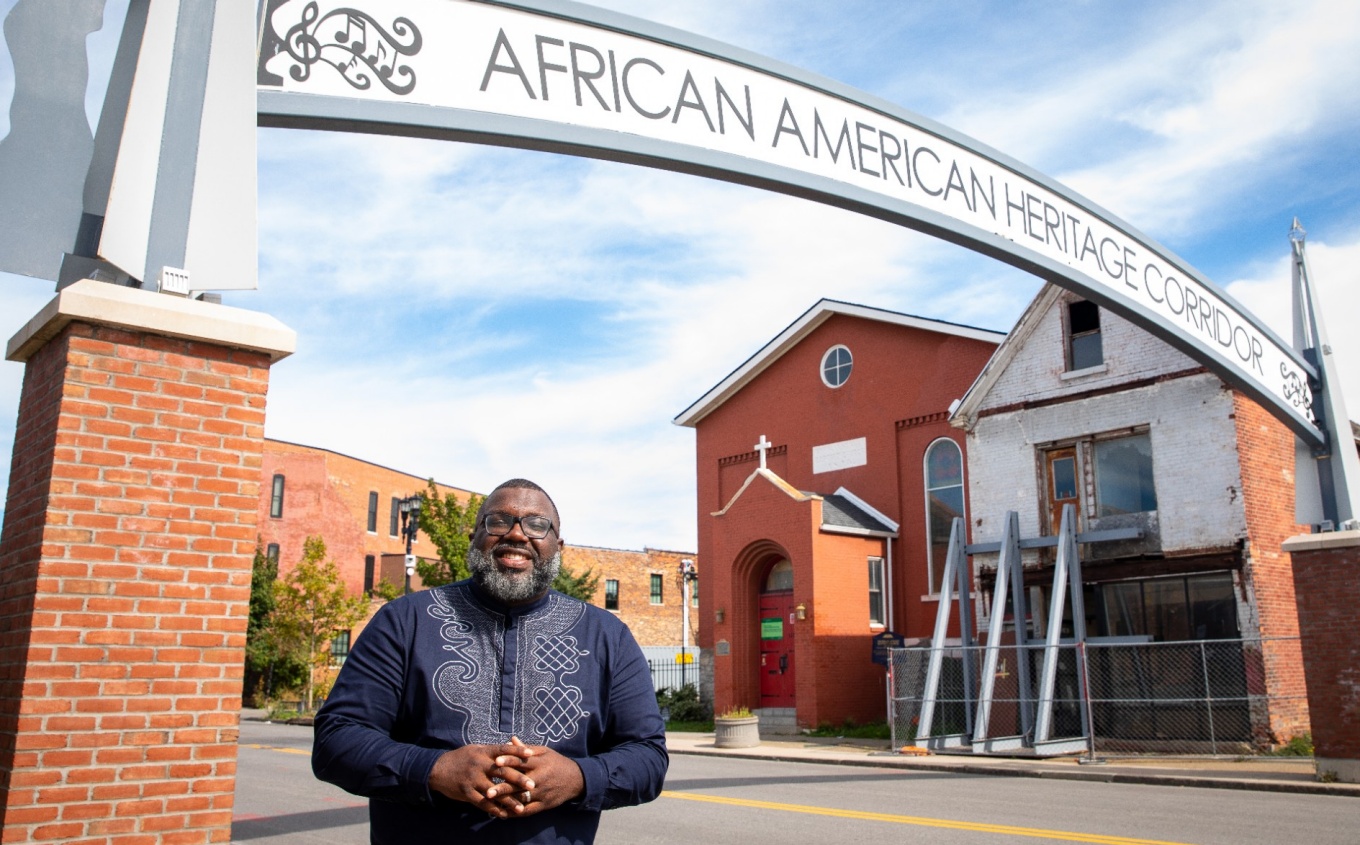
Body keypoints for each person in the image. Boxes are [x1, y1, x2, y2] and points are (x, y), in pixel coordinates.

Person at [312, 478, 668, 844]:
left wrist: (578, 778)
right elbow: (336, 741)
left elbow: (649, 757)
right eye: (498, 521)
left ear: (557, 546)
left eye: (536, 525)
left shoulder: (607, 636)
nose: (516, 534)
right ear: (475, 536)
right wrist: (433, 770)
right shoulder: (405, 622)